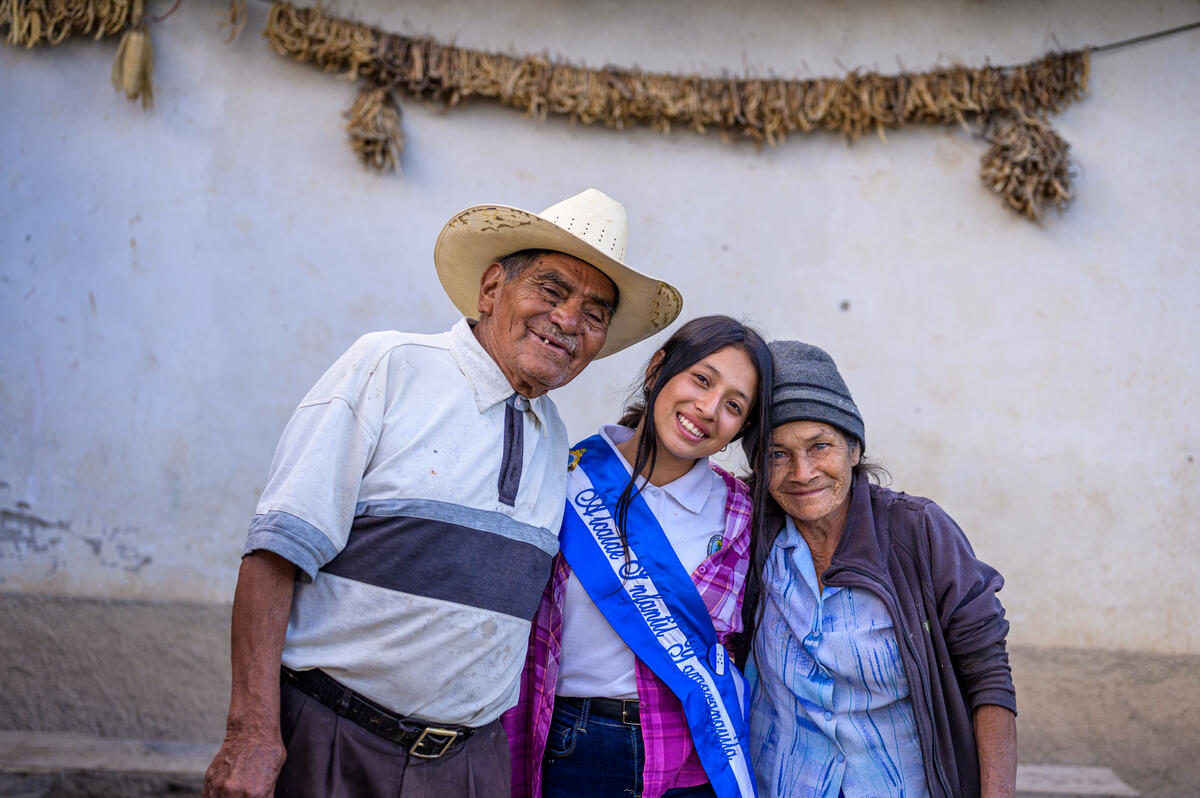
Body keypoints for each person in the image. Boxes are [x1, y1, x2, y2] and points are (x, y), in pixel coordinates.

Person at [202, 188, 683, 798]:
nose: (568, 321)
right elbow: (276, 552)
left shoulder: (554, 434)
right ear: (490, 291)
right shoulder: (390, 366)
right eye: (551, 290)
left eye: (594, 314)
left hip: (470, 766)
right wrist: (251, 732)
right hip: (334, 741)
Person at [504, 315, 774, 798]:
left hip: (694, 751)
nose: (708, 408)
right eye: (701, 379)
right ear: (657, 370)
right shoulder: (563, 478)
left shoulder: (742, 516)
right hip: (574, 744)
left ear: (741, 428)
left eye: (733, 405)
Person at [740, 340, 1017, 798]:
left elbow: (986, 674)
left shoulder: (918, 531)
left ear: (853, 448)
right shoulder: (749, 536)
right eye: (776, 453)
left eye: (819, 445)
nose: (801, 471)